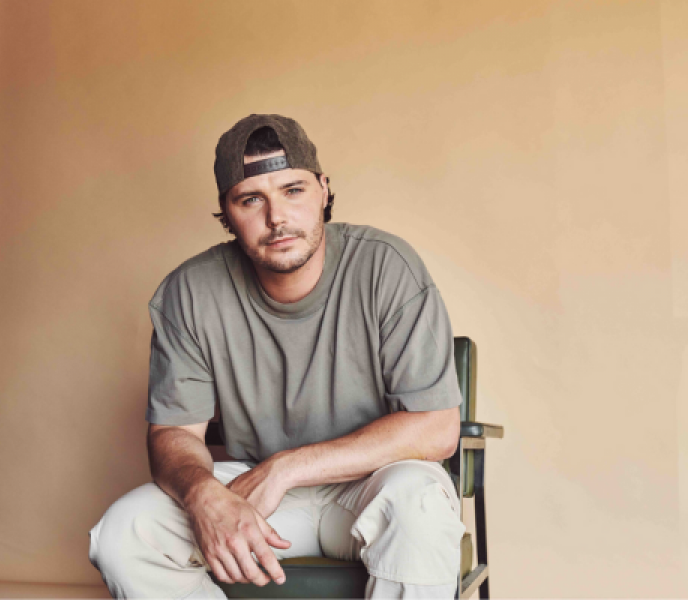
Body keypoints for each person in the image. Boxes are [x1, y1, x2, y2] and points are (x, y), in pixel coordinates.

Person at [88, 114, 466, 599]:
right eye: (251, 199)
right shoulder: (190, 292)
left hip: (370, 487)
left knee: (422, 506)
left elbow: (438, 428)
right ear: (226, 211)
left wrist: (285, 468)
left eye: (293, 190)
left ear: (324, 190)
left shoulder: (387, 267)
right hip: (255, 496)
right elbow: (173, 435)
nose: (277, 217)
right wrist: (203, 493)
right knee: (123, 534)